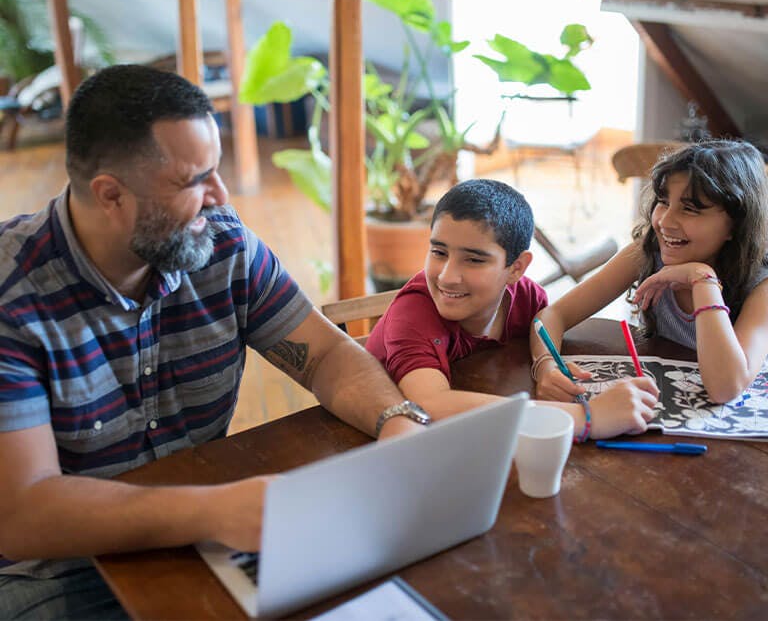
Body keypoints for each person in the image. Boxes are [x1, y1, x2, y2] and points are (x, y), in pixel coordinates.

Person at [0, 65, 429, 619]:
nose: (220, 197)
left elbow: (323, 356)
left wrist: (397, 419)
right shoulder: (12, 299)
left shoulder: (221, 244)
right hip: (59, 573)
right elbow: (24, 510)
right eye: (193, 180)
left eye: (217, 171)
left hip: (210, 540)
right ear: (110, 196)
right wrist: (216, 511)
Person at [366, 178, 659, 440]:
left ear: (516, 268)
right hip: (380, 446)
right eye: (439, 252)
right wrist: (586, 418)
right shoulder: (414, 311)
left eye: (473, 260)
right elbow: (429, 404)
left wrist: (546, 365)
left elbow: (540, 329)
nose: (446, 276)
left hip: (474, 436)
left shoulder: (526, 298)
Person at [532, 140, 768, 404]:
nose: (665, 222)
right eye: (664, 202)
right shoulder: (648, 252)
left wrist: (703, 280)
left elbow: (725, 388)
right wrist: (546, 368)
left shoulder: (761, 286)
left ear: (736, 224)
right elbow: (551, 315)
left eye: (689, 209)